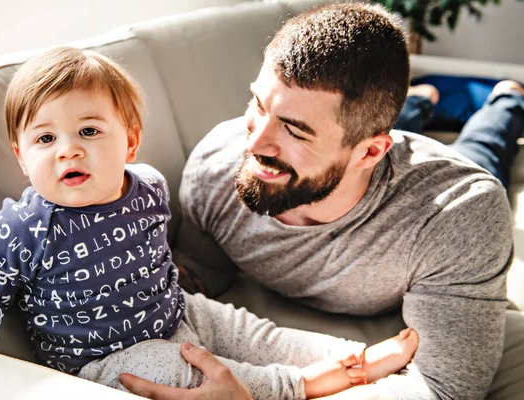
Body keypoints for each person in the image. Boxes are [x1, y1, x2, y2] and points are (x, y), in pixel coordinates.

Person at [0, 46, 421, 400]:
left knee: (248, 331)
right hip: (103, 360)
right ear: (21, 157)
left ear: (129, 142)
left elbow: (157, 253)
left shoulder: (147, 185)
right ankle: (301, 386)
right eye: (44, 139)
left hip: (175, 309)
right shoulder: (24, 224)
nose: (68, 149)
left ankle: (353, 355)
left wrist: (177, 302)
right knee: (176, 367)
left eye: (88, 131)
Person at [151, 3, 517, 399]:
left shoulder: (455, 214)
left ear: (370, 153)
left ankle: (507, 100)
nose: (254, 143)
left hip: (420, 175)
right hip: (355, 145)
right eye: (259, 104)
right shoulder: (216, 166)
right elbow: (203, 272)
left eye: (294, 131)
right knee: (351, 133)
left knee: (482, 147)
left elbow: (443, 391)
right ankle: (418, 100)